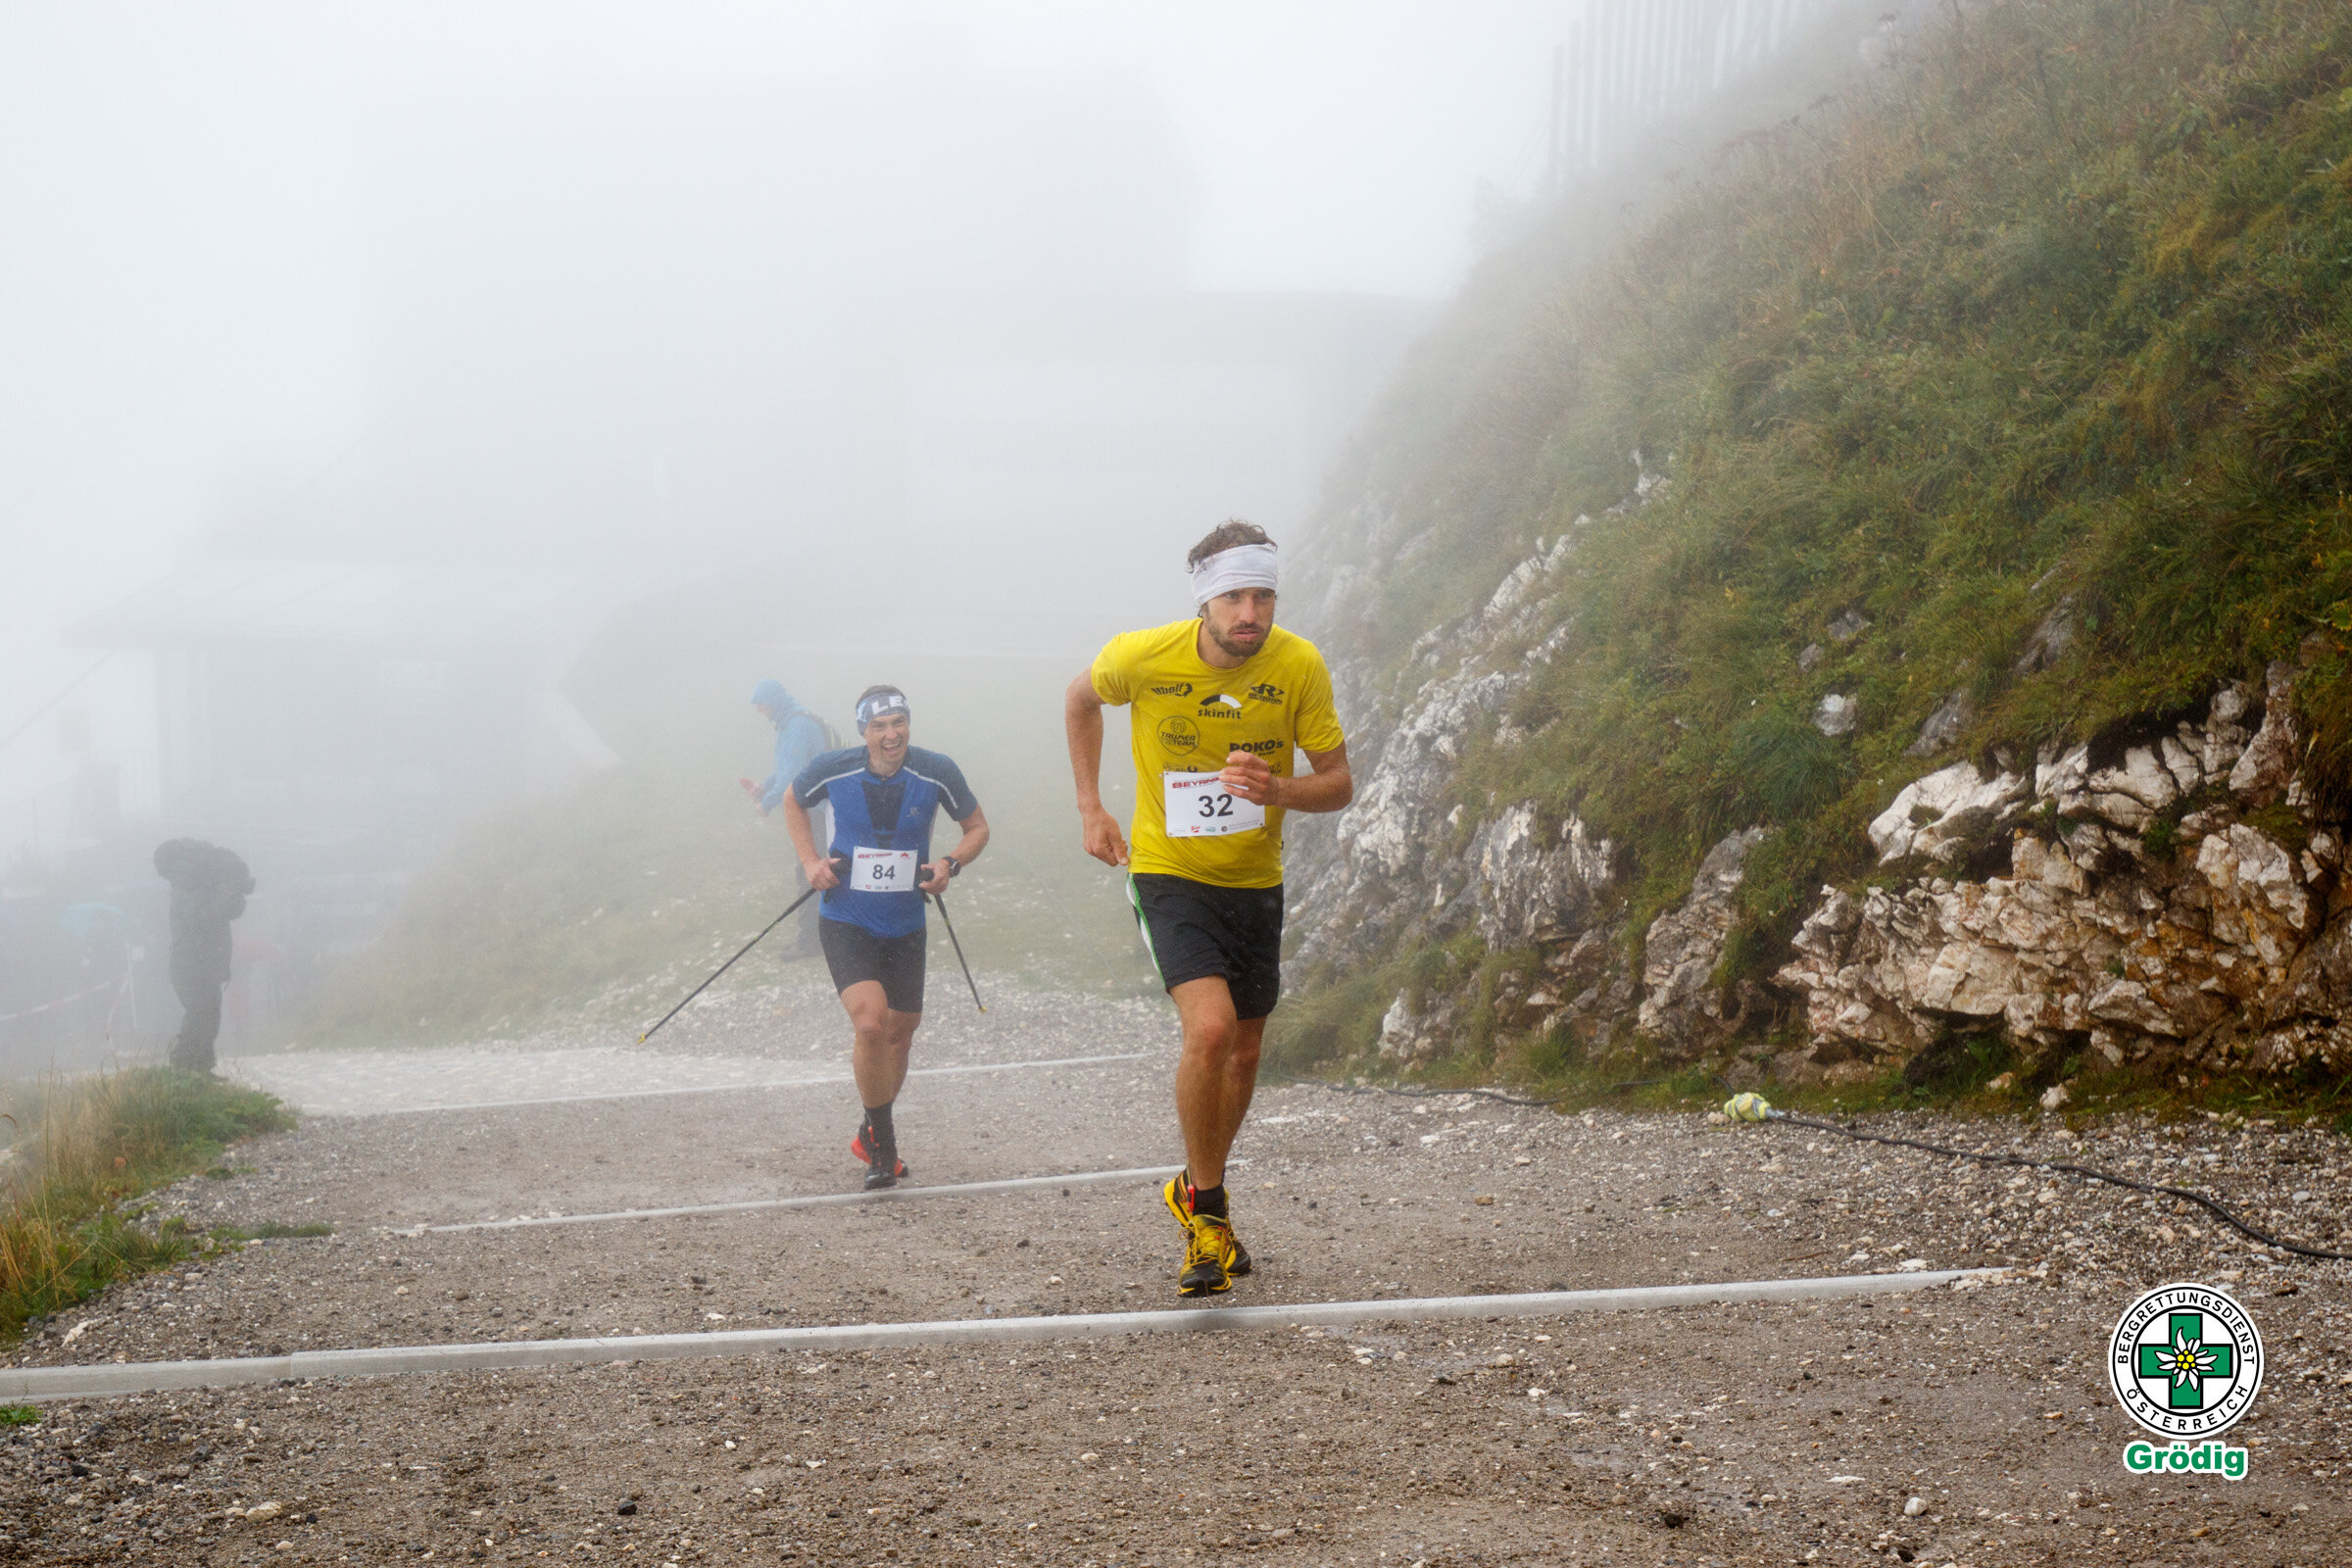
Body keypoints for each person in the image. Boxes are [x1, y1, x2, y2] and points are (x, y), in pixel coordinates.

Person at [1063, 519, 1351, 1296]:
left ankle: (1196, 1188)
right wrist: (1092, 807)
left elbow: (1340, 782)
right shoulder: (1142, 657)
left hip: (1256, 881)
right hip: (1170, 874)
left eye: (1263, 596)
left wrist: (1279, 789)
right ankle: (1210, 1216)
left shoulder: (1298, 666)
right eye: (1234, 598)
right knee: (1213, 1029)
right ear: (1205, 602)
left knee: (1248, 1051)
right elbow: (1080, 701)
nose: (1250, 612)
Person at [782, 686, 988, 1190]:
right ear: (863, 732)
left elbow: (977, 827)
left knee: (901, 1032)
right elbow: (792, 800)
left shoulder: (937, 770)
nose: (890, 734)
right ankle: (884, 1148)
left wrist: (948, 864)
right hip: (846, 916)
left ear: (908, 725)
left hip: (905, 921)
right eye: (879, 726)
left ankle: (869, 1127)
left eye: (898, 723)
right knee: (871, 1025)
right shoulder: (834, 768)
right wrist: (810, 862)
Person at [152, 839, 255, 1075]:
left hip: (202, 964)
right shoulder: (186, 893)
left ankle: (200, 1070)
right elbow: (200, 920)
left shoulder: (196, 889)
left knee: (209, 1017)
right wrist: (222, 896)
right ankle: (185, 1069)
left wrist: (231, 893)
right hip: (191, 965)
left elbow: (232, 911)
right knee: (200, 1015)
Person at [744, 678, 832, 953]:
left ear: (773, 701)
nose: (759, 710)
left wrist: (767, 803)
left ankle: (810, 942)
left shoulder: (797, 726)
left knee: (809, 873)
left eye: (761, 704)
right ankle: (820, 937)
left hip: (814, 812)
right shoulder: (789, 724)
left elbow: (793, 775)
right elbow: (786, 769)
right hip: (810, 810)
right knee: (814, 871)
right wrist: (766, 786)